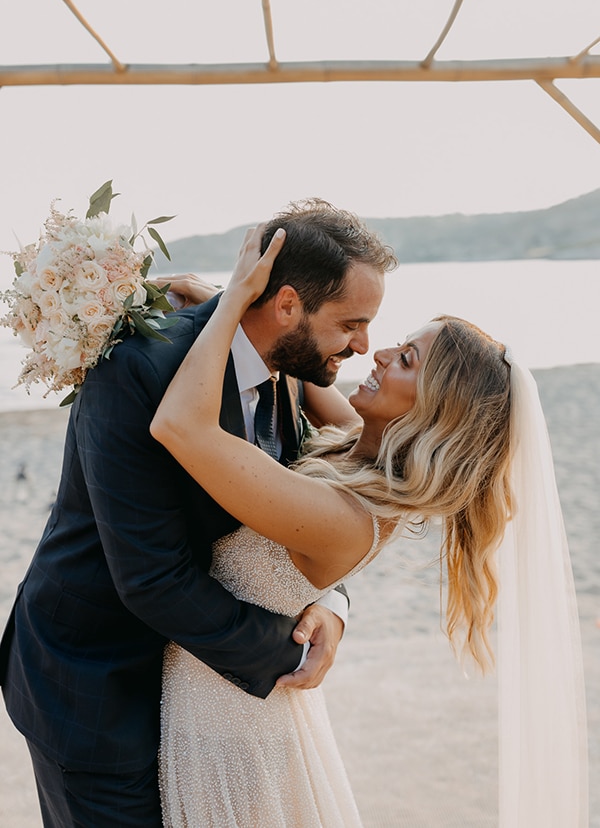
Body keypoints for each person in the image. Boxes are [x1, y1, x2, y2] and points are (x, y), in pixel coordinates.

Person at [151, 226, 589, 827]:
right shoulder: (360, 450)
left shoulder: (349, 517)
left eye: (406, 360)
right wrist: (228, 303)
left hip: (227, 727)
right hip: (228, 700)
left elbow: (181, 426)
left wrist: (232, 299)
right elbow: (302, 374)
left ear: (434, 410)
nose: (376, 353)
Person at [0, 199, 397, 827]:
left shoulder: (291, 366)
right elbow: (151, 577)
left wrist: (332, 602)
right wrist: (289, 655)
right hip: (94, 684)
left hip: (193, 691)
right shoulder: (137, 366)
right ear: (288, 304)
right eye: (352, 323)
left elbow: (306, 510)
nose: (364, 345)